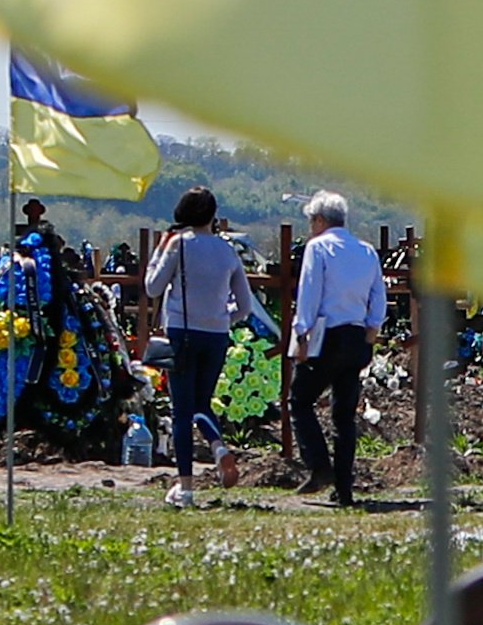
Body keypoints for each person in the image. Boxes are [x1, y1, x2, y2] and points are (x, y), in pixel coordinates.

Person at [139, 188, 270, 507]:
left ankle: (185, 486)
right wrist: (222, 318)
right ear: (212, 216)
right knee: (202, 403)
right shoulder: (228, 251)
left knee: (182, 410)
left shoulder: (178, 245)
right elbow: (244, 305)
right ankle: (219, 448)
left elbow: (153, 286)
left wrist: (159, 252)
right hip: (216, 334)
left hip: (182, 331)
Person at [283, 190, 387, 505]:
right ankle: (344, 488)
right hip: (357, 336)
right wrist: (371, 331)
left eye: (311, 221)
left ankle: (318, 466)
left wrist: (301, 335)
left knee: (300, 401)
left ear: (320, 220)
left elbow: (309, 292)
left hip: (326, 335)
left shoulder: (319, 248)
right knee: (344, 415)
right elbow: (378, 295)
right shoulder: (367, 251)